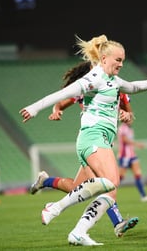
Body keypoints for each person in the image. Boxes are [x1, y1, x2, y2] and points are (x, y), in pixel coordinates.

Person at [19, 34, 147, 246]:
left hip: (99, 139)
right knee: (111, 181)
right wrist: (35, 108)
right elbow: (61, 95)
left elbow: (135, 87)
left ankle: (79, 231)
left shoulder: (113, 81)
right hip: (92, 136)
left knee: (110, 191)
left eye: (123, 60)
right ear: (103, 59)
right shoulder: (92, 79)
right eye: (117, 60)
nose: (121, 64)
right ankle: (55, 207)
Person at [30, 61, 138, 238]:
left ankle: (45, 181)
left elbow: (130, 115)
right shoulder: (86, 88)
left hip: (105, 142)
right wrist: (57, 110)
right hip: (91, 141)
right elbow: (59, 103)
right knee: (107, 183)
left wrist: (127, 115)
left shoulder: (118, 87)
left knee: (75, 186)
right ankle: (117, 224)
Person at [117, 119, 147, 202]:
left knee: (138, 174)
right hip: (125, 156)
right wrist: (137, 144)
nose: (131, 120)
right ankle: (107, 194)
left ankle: (144, 196)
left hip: (132, 155)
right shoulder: (122, 128)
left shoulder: (130, 129)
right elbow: (124, 140)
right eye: (130, 118)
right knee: (120, 177)